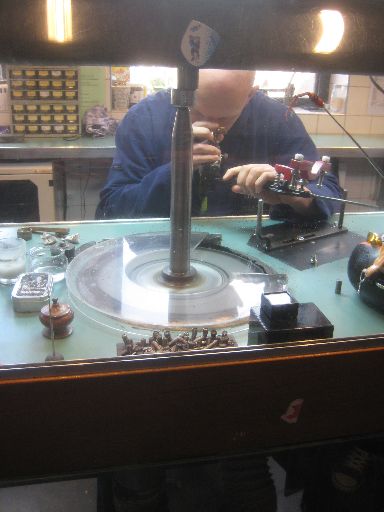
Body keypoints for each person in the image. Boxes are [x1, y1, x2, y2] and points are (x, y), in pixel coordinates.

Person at [95, 69, 343, 220]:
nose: (209, 126)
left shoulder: (277, 119)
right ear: (180, 89)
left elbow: (330, 193)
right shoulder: (145, 119)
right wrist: (173, 173)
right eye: (196, 111)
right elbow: (111, 209)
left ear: (250, 95)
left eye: (224, 118)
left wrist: (290, 192)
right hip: (158, 250)